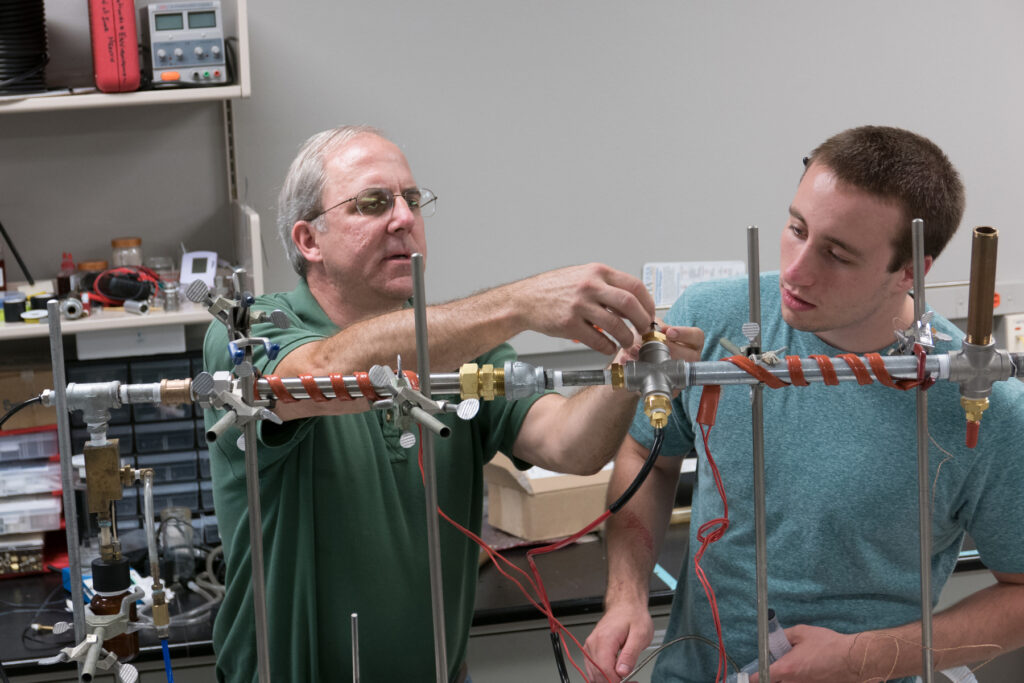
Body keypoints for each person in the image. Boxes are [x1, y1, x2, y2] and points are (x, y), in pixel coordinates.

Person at [202, 125, 704, 682]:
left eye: (412, 200)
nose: (403, 218)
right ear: (309, 240)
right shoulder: (252, 333)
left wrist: (630, 371)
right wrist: (519, 303)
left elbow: (568, 443)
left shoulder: (461, 347)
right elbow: (318, 373)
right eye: (372, 203)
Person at [584, 125, 1024, 683]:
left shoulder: (982, 402)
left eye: (837, 255)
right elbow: (649, 459)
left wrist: (861, 658)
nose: (795, 271)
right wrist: (625, 596)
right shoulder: (709, 323)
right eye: (796, 229)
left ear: (911, 270)